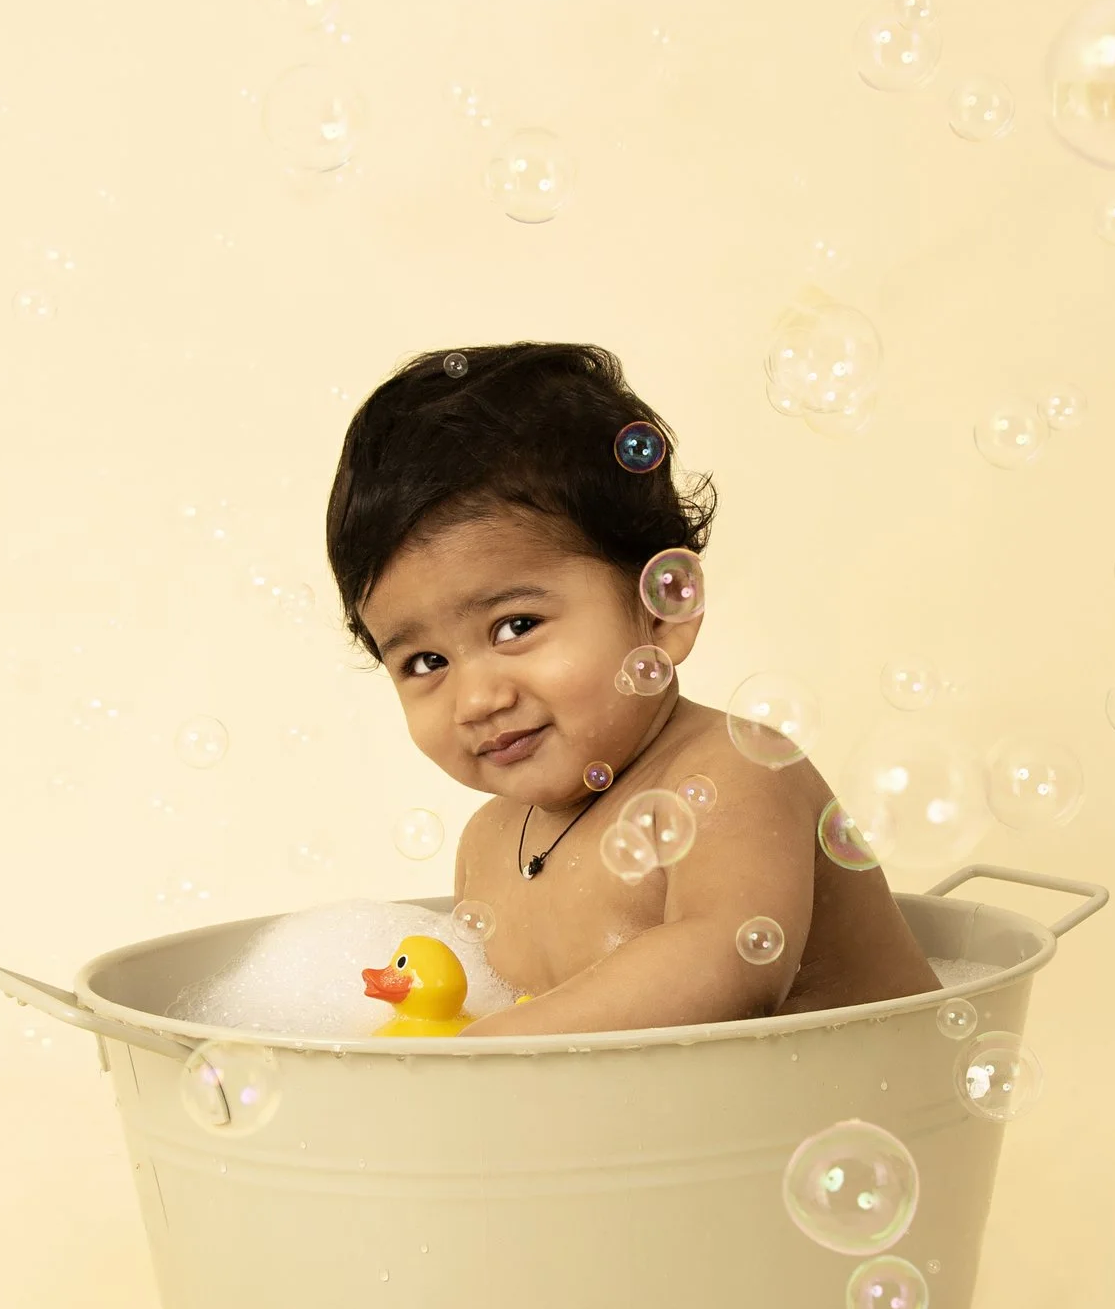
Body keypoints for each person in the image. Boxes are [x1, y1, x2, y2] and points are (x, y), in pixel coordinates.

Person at [326, 342, 937, 1037]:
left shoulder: (733, 773)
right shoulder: (487, 842)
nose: (476, 699)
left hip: (851, 1102)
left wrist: (485, 1049)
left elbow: (728, 963)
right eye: (426, 662)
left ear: (662, 607)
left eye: (515, 625)